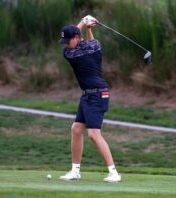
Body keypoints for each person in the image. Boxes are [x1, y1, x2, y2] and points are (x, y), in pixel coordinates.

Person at [58, 15, 121, 183]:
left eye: (67, 41)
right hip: (88, 94)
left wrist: (83, 22)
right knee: (76, 129)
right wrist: (88, 27)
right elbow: (87, 42)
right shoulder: (95, 45)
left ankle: (114, 172)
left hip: (97, 94)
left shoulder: (71, 54)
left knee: (93, 134)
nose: (65, 45)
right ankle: (75, 171)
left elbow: (79, 40)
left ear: (77, 38)